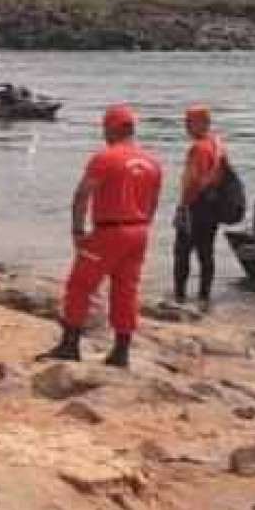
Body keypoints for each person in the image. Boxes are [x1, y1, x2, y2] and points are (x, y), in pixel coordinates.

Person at [41, 104, 162, 368]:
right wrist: (143, 226)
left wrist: (77, 230)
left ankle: (70, 344)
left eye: (105, 128)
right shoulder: (152, 162)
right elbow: (153, 202)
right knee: (126, 289)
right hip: (139, 229)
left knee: (80, 285)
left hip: (110, 229)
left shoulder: (105, 158)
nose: (103, 134)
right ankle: (121, 351)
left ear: (113, 128)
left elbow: (83, 194)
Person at [172, 105, 228, 305]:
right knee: (206, 253)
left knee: (182, 252)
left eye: (189, 122)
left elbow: (194, 180)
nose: (186, 127)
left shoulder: (199, 148)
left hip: (195, 205)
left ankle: (179, 297)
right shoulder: (218, 144)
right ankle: (205, 296)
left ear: (203, 122)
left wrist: (182, 207)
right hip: (212, 206)